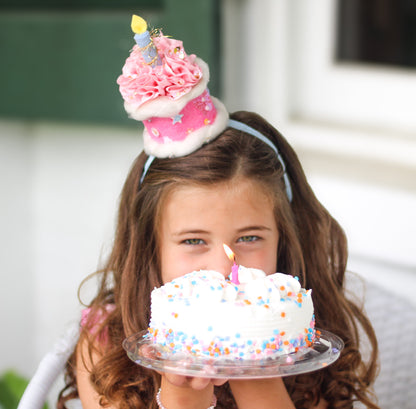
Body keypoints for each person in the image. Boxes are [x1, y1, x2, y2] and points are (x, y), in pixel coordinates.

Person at [58, 16, 380, 409]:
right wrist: (180, 396)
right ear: (149, 246)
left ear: (284, 237)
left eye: (249, 237)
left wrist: (257, 378)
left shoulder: (303, 337)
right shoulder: (103, 344)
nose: (223, 268)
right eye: (193, 241)